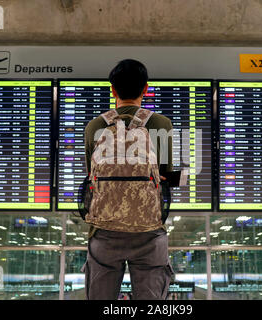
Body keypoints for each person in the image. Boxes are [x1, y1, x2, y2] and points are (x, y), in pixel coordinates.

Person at [81, 59, 174, 300]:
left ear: (113, 90)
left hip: (103, 231)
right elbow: (170, 177)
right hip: (149, 231)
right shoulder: (162, 124)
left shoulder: (94, 126)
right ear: (145, 89)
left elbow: (91, 176)